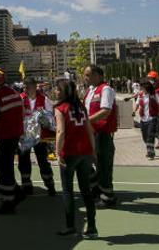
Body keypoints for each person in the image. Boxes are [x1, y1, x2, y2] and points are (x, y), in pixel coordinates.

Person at [53, 78, 97, 238]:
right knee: (86, 190)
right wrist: (93, 151)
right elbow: (89, 130)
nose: (55, 91)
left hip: (69, 153)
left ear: (63, 91)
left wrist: (58, 153)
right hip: (85, 152)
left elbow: (60, 132)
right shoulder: (81, 107)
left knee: (67, 190)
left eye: (57, 89)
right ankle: (92, 227)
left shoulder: (60, 108)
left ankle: (70, 226)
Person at [0, 67, 26, 214]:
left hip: (6, 136)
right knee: (4, 165)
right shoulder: (15, 94)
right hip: (15, 134)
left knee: (2, 166)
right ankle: (15, 192)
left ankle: (8, 201)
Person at [84, 65, 118, 207]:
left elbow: (105, 111)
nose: (85, 78)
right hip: (91, 133)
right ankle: (96, 189)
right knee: (87, 162)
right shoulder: (90, 91)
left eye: (87, 75)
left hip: (102, 134)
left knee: (103, 165)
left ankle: (107, 197)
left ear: (98, 75)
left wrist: (86, 121)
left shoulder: (106, 89)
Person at [18, 77, 56, 196]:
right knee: (23, 161)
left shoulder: (44, 99)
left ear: (34, 86)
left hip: (40, 137)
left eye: (28, 86)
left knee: (43, 161)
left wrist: (44, 119)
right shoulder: (20, 99)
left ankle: (50, 184)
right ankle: (26, 185)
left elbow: (50, 117)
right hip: (25, 136)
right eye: (24, 86)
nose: (25, 88)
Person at [133, 79, 159, 159]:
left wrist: (156, 115)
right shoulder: (141, 95)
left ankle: (150, 152)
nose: (140, 88)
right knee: (144, 137)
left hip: (152, 119)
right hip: (143, 120)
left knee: (150, 135)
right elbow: (137, 104)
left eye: (141, 87)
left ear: (146, 87)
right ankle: (149, 148)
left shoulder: (154, 94)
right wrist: (134, 111)